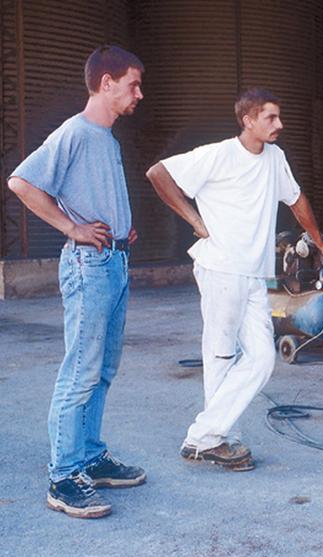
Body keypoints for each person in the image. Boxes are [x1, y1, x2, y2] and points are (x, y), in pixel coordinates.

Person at [146, 87, 323, 471]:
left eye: (279, 117)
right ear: (247, 120)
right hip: (220, 267)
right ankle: (217, 439)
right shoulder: (218, 155)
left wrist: (320, 241)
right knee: (220, 355)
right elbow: (158, 173)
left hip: (254, 274)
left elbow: (296, 198)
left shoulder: (275, 157)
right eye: (270, 117)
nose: (279, 124)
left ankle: (208, 435)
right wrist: (195, 221)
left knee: (263, 359)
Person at [7, 46, 146, 519]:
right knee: (79, 373)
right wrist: (72, 229)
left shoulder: (107, 139)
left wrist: (119, 224)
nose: (139, 94)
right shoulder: (75, 131)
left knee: (102, 371)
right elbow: (22, 183)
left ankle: (90, 457)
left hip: (115, 261)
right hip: (89, 266)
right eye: (133, 85)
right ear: (106, 84)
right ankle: (63, 477)